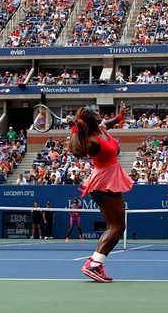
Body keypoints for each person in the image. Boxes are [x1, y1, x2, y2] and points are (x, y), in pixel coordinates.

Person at [69, 102, 132, 283]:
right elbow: (75, 151)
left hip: (109, 180)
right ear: (94, 118)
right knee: (118, 227)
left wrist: (120, 117)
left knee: (113, 227)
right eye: (95, 113)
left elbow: (108, 124)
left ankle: (96, 263)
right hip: (104, 183)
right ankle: (94, 264)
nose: (99, 114)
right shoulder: (91, 140)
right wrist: (74, 128)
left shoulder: (100, 130)